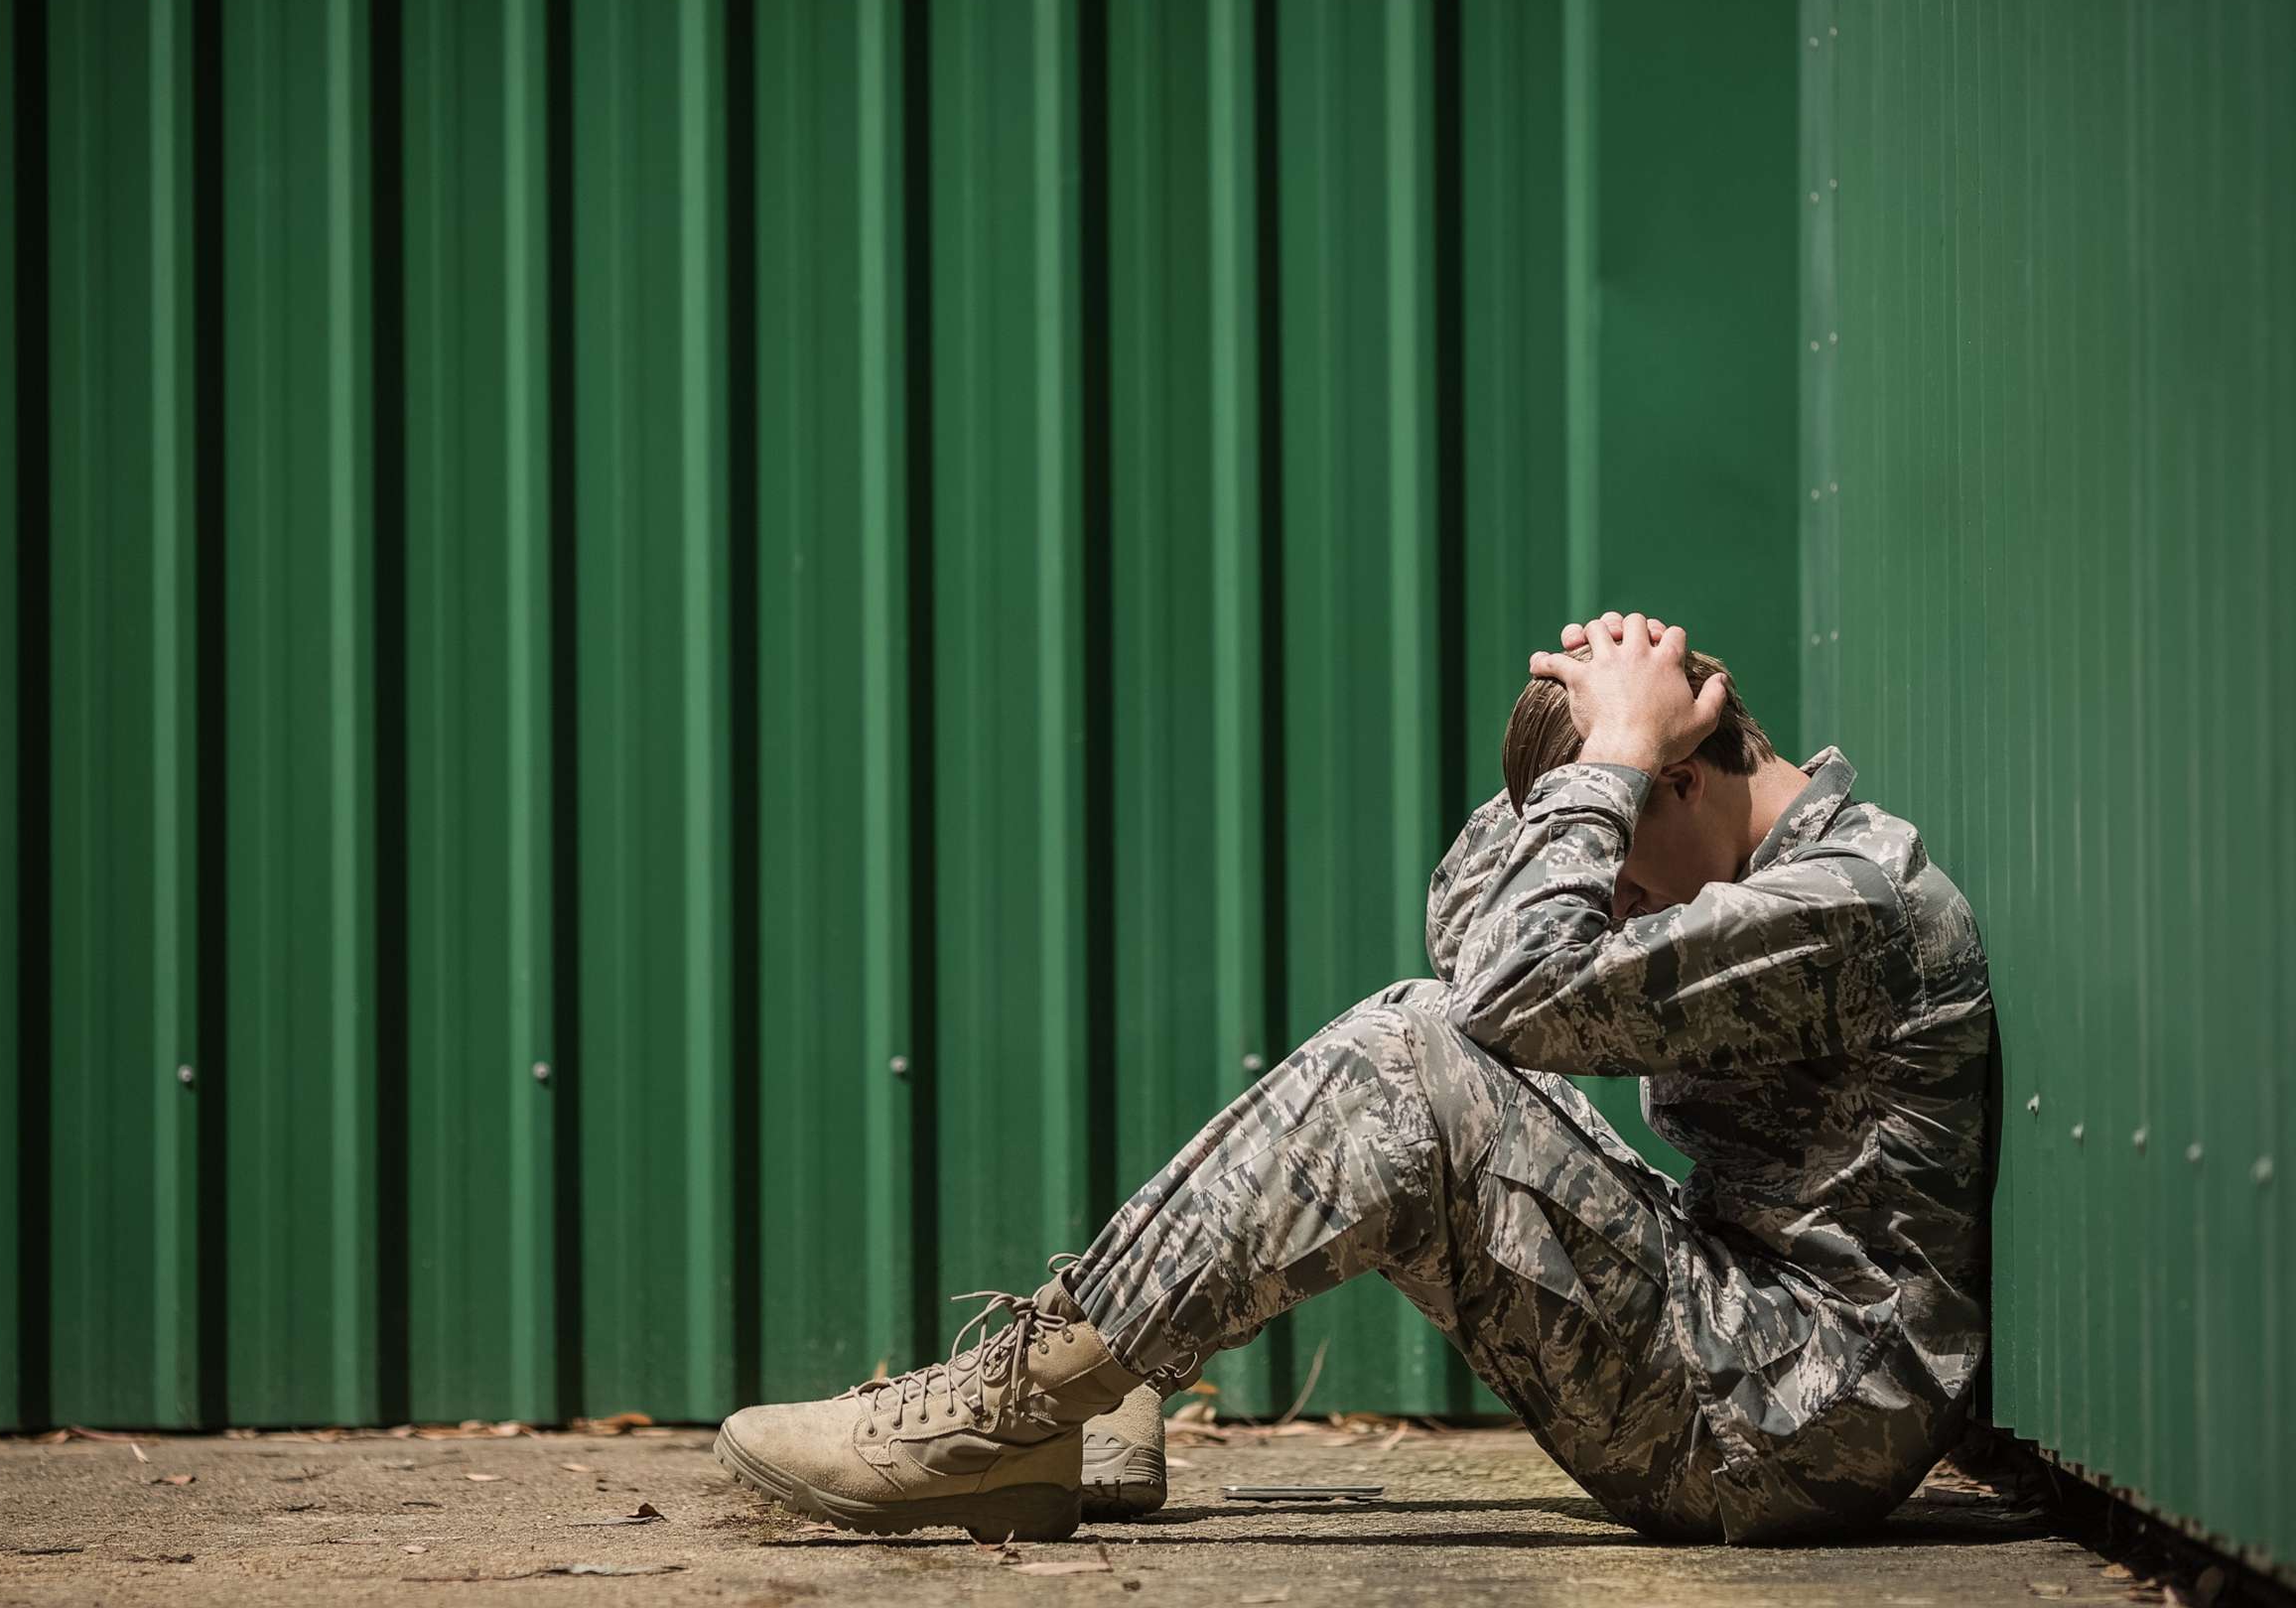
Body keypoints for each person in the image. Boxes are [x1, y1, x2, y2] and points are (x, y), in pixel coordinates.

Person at [713, 611, 1994, 1544]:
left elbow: (1504, 993)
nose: (1609, 894)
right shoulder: (1723, 849)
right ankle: (1085, 1384)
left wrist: (1601, 771)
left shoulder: (1847, 905)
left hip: (1795, 1417)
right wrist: (1595, 738)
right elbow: (1467, 927)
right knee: (1422, 1029)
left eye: (1618, 848)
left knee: (1410, 1052)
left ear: (1682, 771)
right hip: (1742, 1351)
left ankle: (1014, 1407)